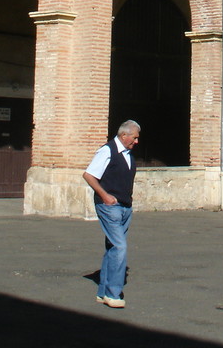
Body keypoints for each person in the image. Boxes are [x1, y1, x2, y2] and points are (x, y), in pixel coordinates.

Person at [83, 120, 141, 308]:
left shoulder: (128, 155)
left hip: (124, 207)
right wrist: (105, 196)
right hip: (109, 207)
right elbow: (89, 175)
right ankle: (113, 293)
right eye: (134, 137)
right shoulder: (107, 151)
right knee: (119, 247)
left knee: (112, 248)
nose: (136, 141)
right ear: (124, 135)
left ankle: (103, 292)